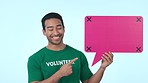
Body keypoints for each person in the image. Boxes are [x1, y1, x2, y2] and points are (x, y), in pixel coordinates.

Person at [27, 12, 113, 83]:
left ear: (64, 29)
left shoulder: (78, 55)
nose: (56, 33)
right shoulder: (35, 59)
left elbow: (88, 82)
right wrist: (60, 74)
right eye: (50, 29)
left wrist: (102, 67)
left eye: (59, 28)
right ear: (44, 32)